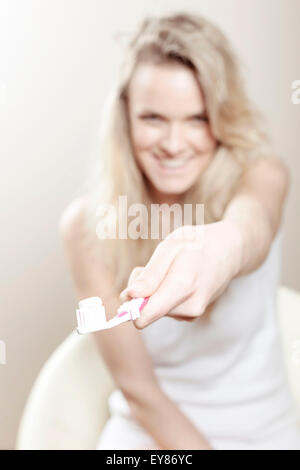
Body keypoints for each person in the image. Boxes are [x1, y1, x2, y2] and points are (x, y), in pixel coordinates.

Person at [59, 12, 300, 450]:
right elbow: (139, 390)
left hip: (265, 432)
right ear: (125, 118)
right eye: (153, 118)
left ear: (223, 120)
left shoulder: (262, 174)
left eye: (197, 119)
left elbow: (251, 228)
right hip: (148, 431)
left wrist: (216, 249)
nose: (173, 144)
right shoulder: (86, 227)